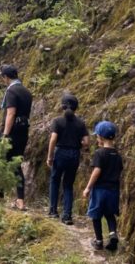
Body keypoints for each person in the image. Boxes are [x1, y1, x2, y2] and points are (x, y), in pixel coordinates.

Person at [45, 93, 89, 224]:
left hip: (60, 153)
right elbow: (86, 142)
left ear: (62, 106)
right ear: (76, 107)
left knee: (55, 180)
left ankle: (53, 211)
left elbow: (53, 139)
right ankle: (67, 216)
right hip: (74, 154)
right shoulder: (80, 123)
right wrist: (79, 144)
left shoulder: (57, 121)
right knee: (68, 185)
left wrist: (50, 156)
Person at [83, 121, 123, 251]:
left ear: (100, 137)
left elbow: (97, 171)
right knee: (110, 214)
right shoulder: (117, 155)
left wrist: (88, 187)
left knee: (96, 215)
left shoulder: (99, 153)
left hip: (100, 190)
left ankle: (99, 241)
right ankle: (113, 234)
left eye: (97, 136)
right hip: (113, 190)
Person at [0, 64, 32, 211]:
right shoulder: (26, 91)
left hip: (11, 131)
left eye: (3, 77)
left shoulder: (11, 91)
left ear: (6, 77)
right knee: (16, 164)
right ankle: (20, 200)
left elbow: (11, 113)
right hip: (23, 131)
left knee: (1, 161)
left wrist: (5, 134)